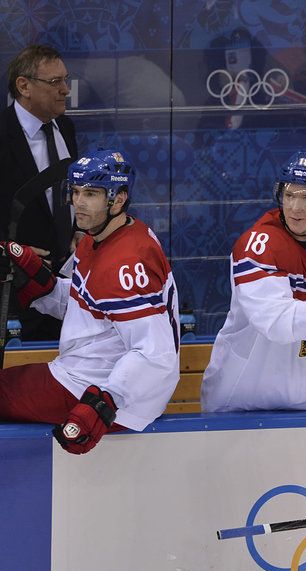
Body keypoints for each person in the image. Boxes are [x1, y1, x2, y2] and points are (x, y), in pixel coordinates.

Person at [0, 148, 179, 453]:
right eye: (76, 191)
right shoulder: (103, 238)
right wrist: (41, 283)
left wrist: (102, 404)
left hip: (100, 390)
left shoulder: (127, 263)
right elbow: (91, 308)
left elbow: (154, 353)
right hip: (84, 373)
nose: (78, 203)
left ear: (118, 199)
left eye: (92, 194)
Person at [201, 150, 306, 412]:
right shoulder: (258, 245)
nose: (295, 207)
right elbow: (275, 320)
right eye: (289, 195)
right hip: (245, 397)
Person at [0, 44, 78, 341]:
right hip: (17, 293)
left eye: (65, 79)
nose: (66, 90)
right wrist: (14, 254)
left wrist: (80, 231)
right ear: (24, 86)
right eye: (55, 82)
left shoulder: (66, 128)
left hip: (69, 290)